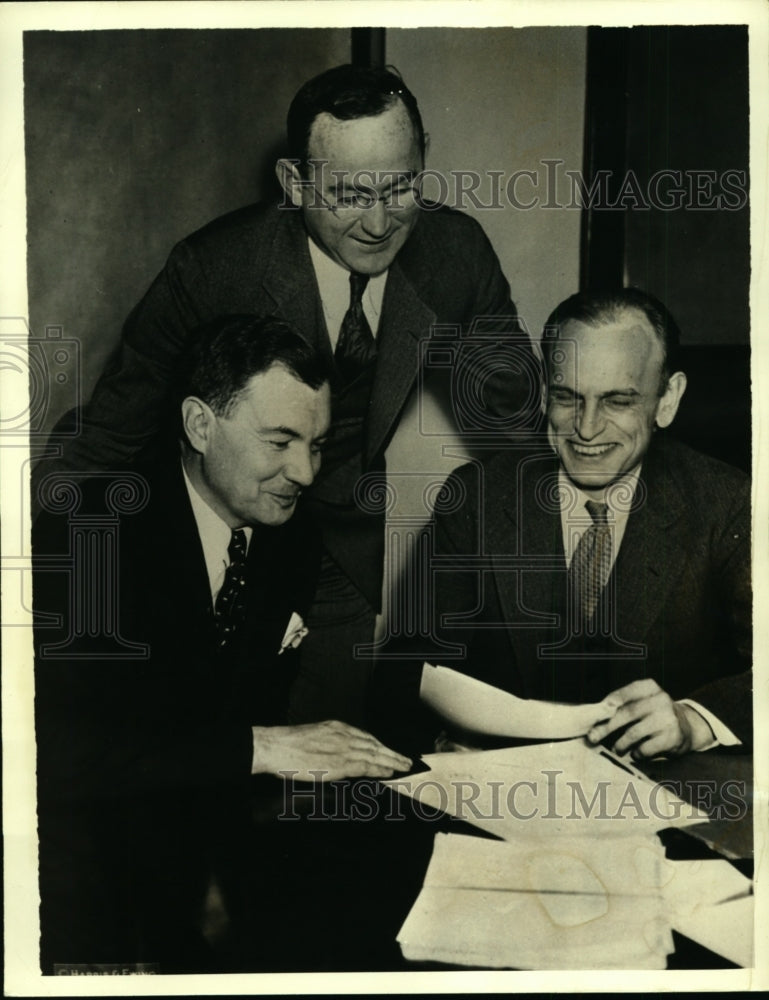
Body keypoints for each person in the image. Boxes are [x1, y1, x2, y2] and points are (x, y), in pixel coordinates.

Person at [31, 63, 536, 727]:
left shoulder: (455, 252)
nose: (380, 222)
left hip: (363, 540)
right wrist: (38, 571)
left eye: (401, 187)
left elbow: (515, 415)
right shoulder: (214, 270)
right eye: (351, 194)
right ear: (294, 185)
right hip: (232, 544)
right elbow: (110, 436)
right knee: (205, 746)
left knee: (340, 756)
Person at [33, 315, 411, 974]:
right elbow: (59, 753)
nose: (304, 471)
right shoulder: (91, 533)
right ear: (201, 426)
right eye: (280, 441)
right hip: (81, 880)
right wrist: (259, 746)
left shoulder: (291, 538)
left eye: (317, 445)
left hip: (208, 855)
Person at [373, 288, 751, 759]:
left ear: (667, 399)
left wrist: (692, 721)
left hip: (662, 805)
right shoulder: (476, 496)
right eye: (567, 397)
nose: (587, 428)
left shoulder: (727, 503)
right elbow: (404, 669)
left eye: (617, 401)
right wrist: (444, 742)